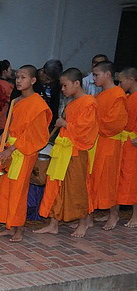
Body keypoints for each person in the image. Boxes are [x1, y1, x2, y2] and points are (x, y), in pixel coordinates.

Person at [35, 68, 98, 238]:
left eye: (65, 85)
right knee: (55, 186)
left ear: (76, 83)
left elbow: (86, 131)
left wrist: (65, 124)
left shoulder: (89, 103)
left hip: (76, 152)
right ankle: (53, 223)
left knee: (77, 188)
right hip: (63, 151)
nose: (62, 89)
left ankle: (83, 222)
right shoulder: (72, 104)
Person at [0, 65, 52, 242]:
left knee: (19, 191)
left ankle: (20, 230)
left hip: (24, 152)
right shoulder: (15, 101)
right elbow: (9, 128)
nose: (19, 81)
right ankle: (9, 226)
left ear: (33, 80)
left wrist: (12, 149)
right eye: (17, 77)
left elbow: (36, 135)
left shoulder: (38, 105)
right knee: (6, 189)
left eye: (23, 77)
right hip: (10, 150)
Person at [89, 60, 128, 231]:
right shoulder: (99, 96)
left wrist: (94, 124)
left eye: (96, 75)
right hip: (95, 143)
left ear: (108, 74)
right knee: (91, 180)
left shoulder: (118, 94)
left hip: (110, 144)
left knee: (108, 181)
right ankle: (88, 217)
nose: (94, 78)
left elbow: (115, 124)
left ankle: (114, 214)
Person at [117, 67, 137, 227]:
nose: (120, 84)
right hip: (124, 141)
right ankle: (114, 213)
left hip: (133, 143)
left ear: (131, 79)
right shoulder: (128, 97)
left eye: (122, 81)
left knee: (132, 179)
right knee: (120, 177)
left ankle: (135, 215)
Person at [0, 60, 14, 142]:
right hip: (2, 118)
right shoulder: (6, 85)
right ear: (4, 72)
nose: (12, 72)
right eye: (10, 70)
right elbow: (12, 100)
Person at [39, 59, 63, 130]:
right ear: (42, 71)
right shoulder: (31, 78)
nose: (48, 82)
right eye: (47, 79)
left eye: (51, 81)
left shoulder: (56, 85)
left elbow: (55, 107)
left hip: (47, 123)